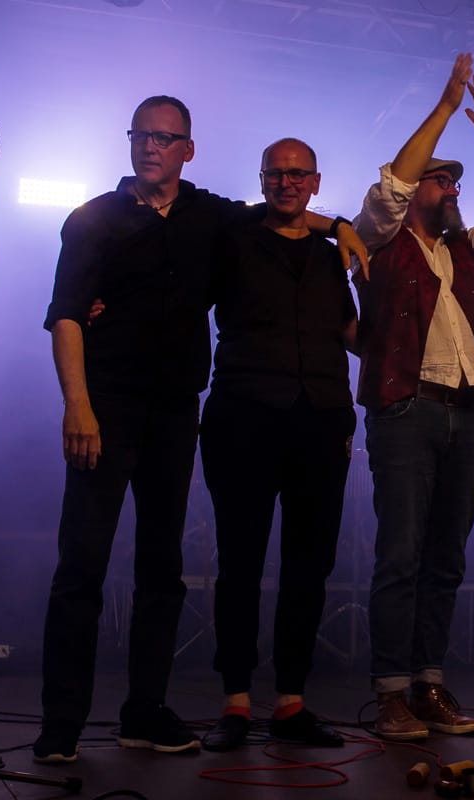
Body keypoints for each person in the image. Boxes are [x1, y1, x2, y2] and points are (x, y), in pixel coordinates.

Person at [37, 96, 363, 763]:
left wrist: (340, 226)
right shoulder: (93, 217)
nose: (150, 146)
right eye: (142, 135)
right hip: (106, 405)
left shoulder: (209, 214)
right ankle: (61, 725)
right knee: (82, 566)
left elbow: (282, 210)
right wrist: (77, 405)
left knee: (162, 569)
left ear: (187, 149)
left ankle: (144, 713)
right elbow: (66, 312)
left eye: (165, 138)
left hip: (175, 410)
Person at [351, 53, 474, 741]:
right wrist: (448, 106)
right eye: (441, 178)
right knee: (400, 554)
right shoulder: (379, 239)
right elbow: (391, 187)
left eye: (456, 180)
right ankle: (391, 692)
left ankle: (428, 685)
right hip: (406, 407)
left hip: (467, 413)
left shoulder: (466, 252)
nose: (453, 187)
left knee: (446, 559)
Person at [197, 138, 357, 752]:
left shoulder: (331, 256)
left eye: (298, 174)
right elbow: (180, 291)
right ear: (262, 178)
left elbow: (351, 333)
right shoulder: (232, 238)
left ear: (315, 181)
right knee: (240, 562)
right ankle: (235, 702)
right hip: (244, 413)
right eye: (276, 173)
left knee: (309, 565)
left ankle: (291, 701)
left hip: (321, 417)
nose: (286, 183)